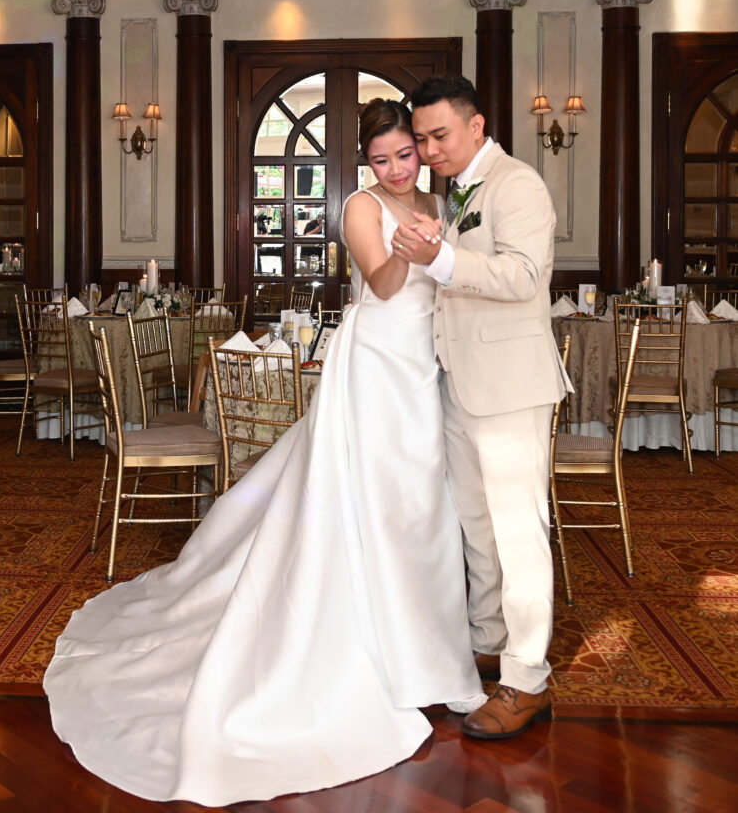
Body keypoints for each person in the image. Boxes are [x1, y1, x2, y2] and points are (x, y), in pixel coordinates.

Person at [44, 97, 485, 807]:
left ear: (420, 150)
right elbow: (382, 284)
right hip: (374, 367)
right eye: (380, 160)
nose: (397, 169)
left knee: (423, 511)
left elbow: (457, 279)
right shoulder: (362, 208)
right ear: (366, 164)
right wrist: (415, 248)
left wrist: (442, 247)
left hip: (423, 367)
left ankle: (437, 663)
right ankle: (372, 658)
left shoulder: (440, 200)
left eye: (405, 154)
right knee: (371, 505)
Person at [393, 73, 570, 740]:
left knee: (518, 534)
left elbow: (523, 277)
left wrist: (440, 259)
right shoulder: (455, 194)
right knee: (477, 529)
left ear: (476, 125)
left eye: (439, 135)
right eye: (421, 139)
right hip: (459, 384)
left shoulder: (518, 184)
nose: (428, 150)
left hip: (510, 389)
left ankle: (527, 680)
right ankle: (488, 646)